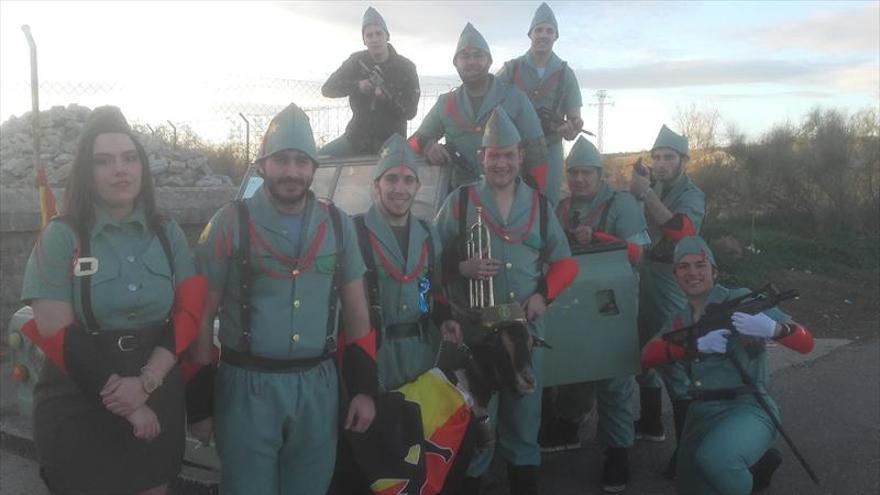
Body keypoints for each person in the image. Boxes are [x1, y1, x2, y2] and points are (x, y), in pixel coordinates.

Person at [19, 106, 208, 495]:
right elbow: (55, 327)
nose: (119, 169)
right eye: (103, 161)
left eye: (129, 158)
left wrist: (146, 382)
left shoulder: (167, 232)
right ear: (86, 174)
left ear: (141, 166)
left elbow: (188, 313)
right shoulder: (61, 236)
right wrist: (126, 399)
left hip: (156, 396)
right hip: (79, 403)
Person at [194, 103, 377, 494]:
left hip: (318, 387)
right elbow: (200, 313)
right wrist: (198, 401)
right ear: (262, 165)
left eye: (301, 161)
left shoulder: (339, 224)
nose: (292, 172)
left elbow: (358, 316)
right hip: (245, 389)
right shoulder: (229, 222)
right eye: (281, 160)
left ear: (314, 168)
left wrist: (363, 389)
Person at [435, 107, 578, 495]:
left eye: (508, 154)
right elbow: (428, 259)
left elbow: (565, 263)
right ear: (482, 158)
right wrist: (460, 267)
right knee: (474, 422)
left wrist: (542, 296)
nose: (501, 162)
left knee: (523, 420)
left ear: (520, 157)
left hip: (523, 333)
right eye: (493, 155)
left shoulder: (539, 205)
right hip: (473, 333)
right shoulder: (459, 202)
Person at [330, 133, 464, 494]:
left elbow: (427, 290)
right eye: (391, 179)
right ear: (376, 185)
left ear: (418, 185)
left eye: (408, 180)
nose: (399, 188)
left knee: (415, 450)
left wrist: (443, 317)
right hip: (373, 358)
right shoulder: (353, 233)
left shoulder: (427, 234)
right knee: (369, 454)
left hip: (419, 357)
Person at [641, 236, 814, 494]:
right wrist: (694, 345)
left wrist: (775, 329)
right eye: (684, 266)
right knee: (690, 485)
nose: (692, 272)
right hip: (700, 412)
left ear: (714, 270)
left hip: (748, 406)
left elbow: (806, 343)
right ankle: (753, 472)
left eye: (700, 265)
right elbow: (647, 356)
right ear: (675, 274)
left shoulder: (741, 300)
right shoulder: (679, 319)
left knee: (717, 460)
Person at [543, 136, 650, 492]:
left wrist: (599, 237)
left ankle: (617, 453)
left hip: (611, 302)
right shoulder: (560, 208)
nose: (578, 180)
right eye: (573, 173)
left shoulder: (623, 204)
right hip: (572, 299)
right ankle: (569, 424)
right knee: (572, 364)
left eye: (586, 173)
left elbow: (639, 254)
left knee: (613, 377)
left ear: (600, 174)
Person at [629, 125, 705, 475]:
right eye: (656, 157)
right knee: (643, 354)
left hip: (673, 285)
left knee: (675, 362)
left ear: (684, 161)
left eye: (668, 158)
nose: (661, 164)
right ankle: (649, 423)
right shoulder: (655, 185)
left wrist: (645, 196)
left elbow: (681, 231)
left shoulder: (692, 193)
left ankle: (688, 451)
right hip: (644, 282)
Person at [409, 22, 549, 196]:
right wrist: (427, 146)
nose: (471, 61)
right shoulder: (446, 103)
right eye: (465, 56)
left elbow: (537, 152)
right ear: (456, 63)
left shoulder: (515, 98)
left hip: (508, 198)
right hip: (460, 198)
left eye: (477, 55)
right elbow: (413, 142)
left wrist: (537, 199)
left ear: (489, 61)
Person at [497, 1, 583, 207]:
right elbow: (490, 101)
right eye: (539, 30)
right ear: (530, 34)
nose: (544, 35)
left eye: (549, 30)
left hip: (549, 148)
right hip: (513, 148)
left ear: (556, 36)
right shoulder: (511, 68)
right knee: (506, 201)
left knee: (546, 204)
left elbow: (575, 119)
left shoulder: (566, 73)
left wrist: (570, 129)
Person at [320, 6, 420, 157]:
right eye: (369, 35)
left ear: (387, 36)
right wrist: (357, 86)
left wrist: (386, 98)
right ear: (364, 40)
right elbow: (327, 89)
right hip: (355, 139)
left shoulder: (406, 68)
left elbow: (410, 112)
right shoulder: (356, 61)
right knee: (318, 161)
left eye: (379, 33)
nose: (374, 39)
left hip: (391, 143)